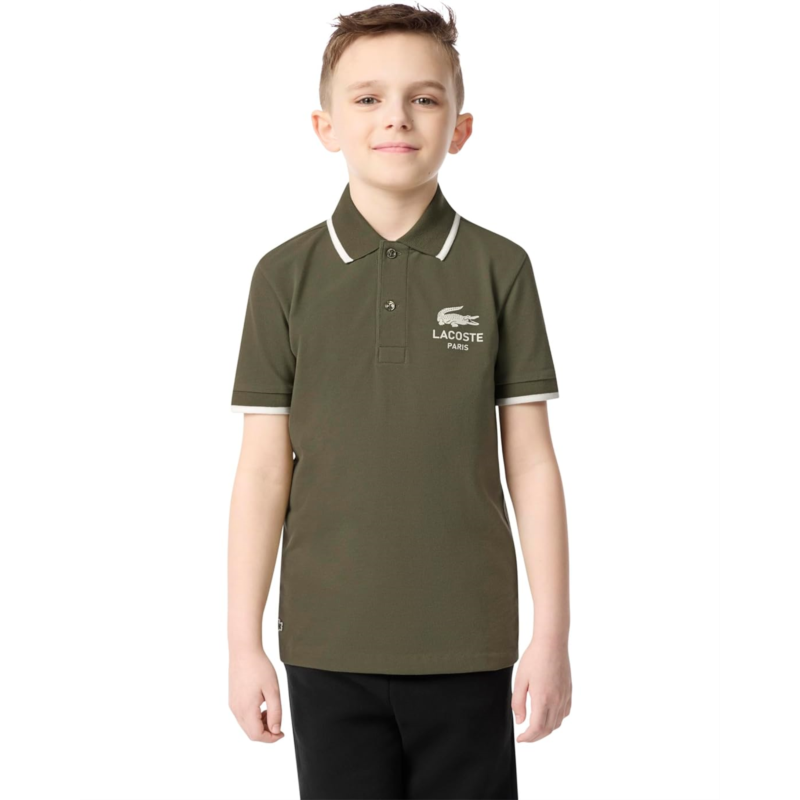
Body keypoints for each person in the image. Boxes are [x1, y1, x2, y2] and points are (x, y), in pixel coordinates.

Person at [227, 3, 572, 798]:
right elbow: (262, 473)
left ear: (461, 127)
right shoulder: (283, 277)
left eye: (423, 97)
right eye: (368, 98)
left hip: (469, 643)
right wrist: (244, 644)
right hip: (326, 645)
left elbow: (532, 464)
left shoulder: (500, 269)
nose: (396, 117)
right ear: (325, 126)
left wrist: (550, 636)